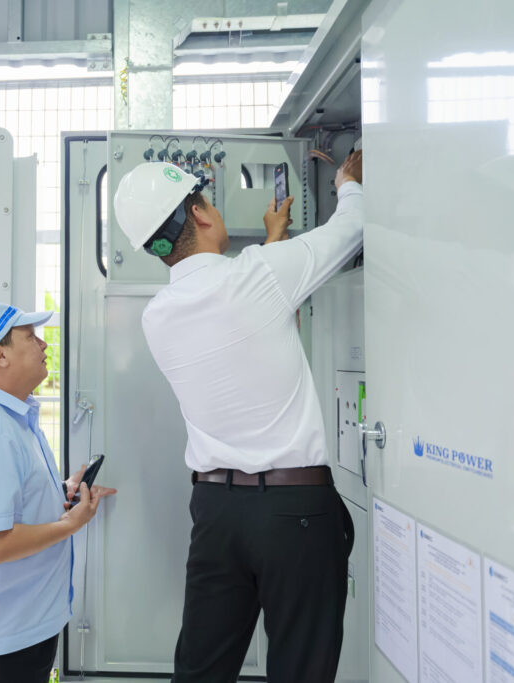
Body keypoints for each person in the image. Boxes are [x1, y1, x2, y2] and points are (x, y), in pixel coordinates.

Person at [113, 152, 363, 682]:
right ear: (199, 213)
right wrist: (348, 183)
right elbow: (352, 227)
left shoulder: (158, 317)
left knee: (202, 670)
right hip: (296, 515)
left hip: (217, 515)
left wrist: (274, 241)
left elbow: (244, 309)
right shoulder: (261, 275)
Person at [0, 301, 116, 683]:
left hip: (22, 627)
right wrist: (70, 523)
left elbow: (9, 504)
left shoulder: (12, 418)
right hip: (2, 639)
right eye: (31, 337)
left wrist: (61, 491)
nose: (43, 344)